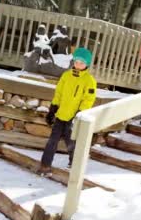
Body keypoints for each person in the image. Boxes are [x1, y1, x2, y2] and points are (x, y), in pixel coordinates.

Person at [38, 47, 97, 176]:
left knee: (71, 142)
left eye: (81, 63)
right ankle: (45, 165)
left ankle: (74, 164)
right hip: (60, 115)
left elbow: (88, 99)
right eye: (76, 62)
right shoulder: (66, 76)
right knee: (52, 141)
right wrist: (53, 109)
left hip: (74, 117)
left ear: (86, 64)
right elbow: (59, 93)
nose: (78, 65)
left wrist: (80, 113)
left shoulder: (89, 81)